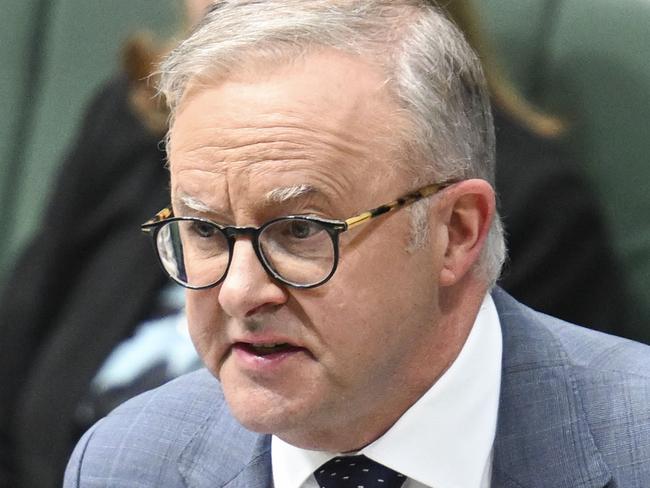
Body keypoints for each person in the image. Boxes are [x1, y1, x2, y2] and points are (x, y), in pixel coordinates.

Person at [63, 1, 650, 487]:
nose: (239, 292)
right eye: (206, 231)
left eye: (300, 230)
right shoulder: (125, 464)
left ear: (457, 232)